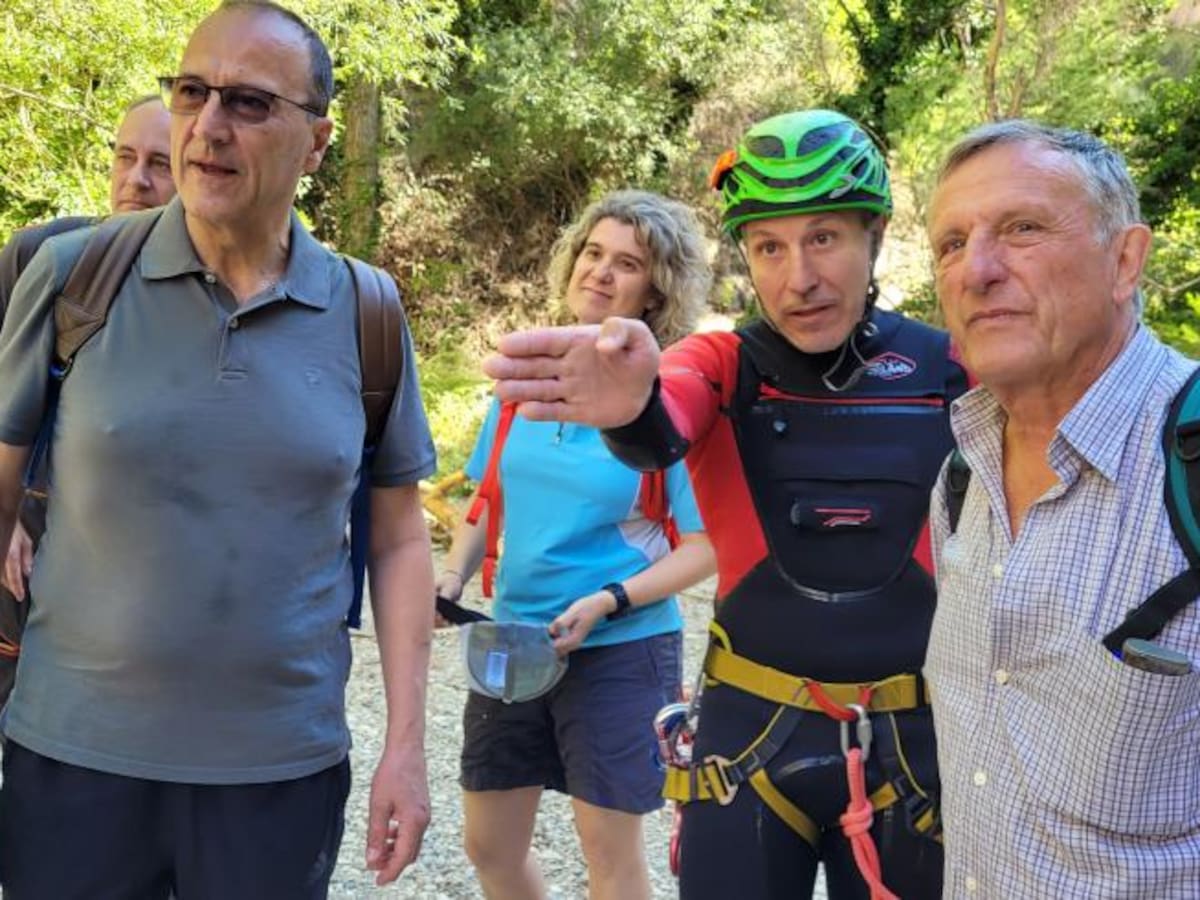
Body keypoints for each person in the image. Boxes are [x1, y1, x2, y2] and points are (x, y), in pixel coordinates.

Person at [0, 2, 436, 896]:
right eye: (193, 92)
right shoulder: (76, 276)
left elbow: (397, 540)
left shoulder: (369, 312)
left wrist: (406, 748)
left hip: (277, 773)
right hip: (72, 757)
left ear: (316, 142)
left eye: (248, 102)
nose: (208, 126)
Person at [483, 110, 966, 899]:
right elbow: (663, 419)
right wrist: (628, 406)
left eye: (824, 239)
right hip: (748, 740)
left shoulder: (951, 368)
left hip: (912, 743)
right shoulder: (722, 362)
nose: (797, 277)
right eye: (768, 246)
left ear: (873, 235)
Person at [924, 121, 1199, 896]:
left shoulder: (1188, 465)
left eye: (1022, 229)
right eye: (951, 244)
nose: (976, 270)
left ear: (1125, 260)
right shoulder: (958, 478)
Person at [437, 189, 716, 900]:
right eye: (593, 252)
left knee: (610, 858)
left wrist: (608, 599)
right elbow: (486, 500)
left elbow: (705, 547)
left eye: (626, 264)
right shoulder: (525, 376)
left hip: (620, 649)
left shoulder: (667, 401)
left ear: (655, 292)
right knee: (490, 844)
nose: (599, 271)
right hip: (512, 642)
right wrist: (452, 575)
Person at [0, 92, 177, 709]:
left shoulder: (212, 295)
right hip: (23, 553)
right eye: (125, 157)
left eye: (160, 163)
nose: (137, 180)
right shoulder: (43, 259)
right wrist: (10, 515)